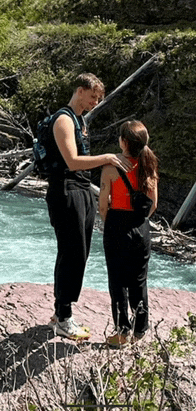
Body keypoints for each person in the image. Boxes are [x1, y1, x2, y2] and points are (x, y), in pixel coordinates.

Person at [46, 73, 132, 340]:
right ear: (80, 91)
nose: (96, 102)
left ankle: (61, 311)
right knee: (72, 251)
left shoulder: (79, 119)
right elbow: (72, 161)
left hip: (80, 190)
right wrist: (107, 158)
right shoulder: (63, 119)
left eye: (98, 98)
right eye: (93, 96)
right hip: (66, 191)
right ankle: (63, 317)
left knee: (79, 252)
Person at [99, 120, 158, 346]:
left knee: (117, 281)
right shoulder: (149, 165)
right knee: (139, 280)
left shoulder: (111, 168)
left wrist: (111, 222)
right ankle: (140, 330)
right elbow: (153, 205)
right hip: (141, 228)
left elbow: (103, 205)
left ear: (123, 142)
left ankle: (122, 332)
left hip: (117, 225)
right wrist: (138, 223)